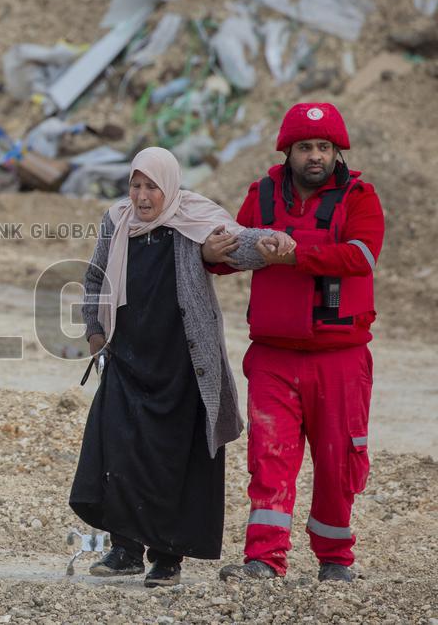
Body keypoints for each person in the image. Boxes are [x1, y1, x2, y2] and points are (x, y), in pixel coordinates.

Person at [69, 147, 293, 588]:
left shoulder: (191, 217)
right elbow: (96, 276)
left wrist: (272, 240)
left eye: (151, 185)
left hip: (183, 364)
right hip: (129, 357)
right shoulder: (116, 221)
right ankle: (126, 549)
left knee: (175, 459)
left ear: (168, 185)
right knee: (120, 451)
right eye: (136, 185)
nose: (142, 196)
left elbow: (238, 243)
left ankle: (168, 558)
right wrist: (95, 329)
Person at [215, 103, 384, 583]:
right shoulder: (261, 196)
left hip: (340, 358)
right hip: (272, 355)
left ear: (337, 152)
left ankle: (335, 560)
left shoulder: (360, 197)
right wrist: (213, 254)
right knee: (268, 459)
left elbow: (362, 255)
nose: (315, 156)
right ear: (287, 152)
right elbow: (234, 252)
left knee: (338, 463)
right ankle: (264, 560)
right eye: (305, 147)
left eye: (324, 147)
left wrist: (295, 256)